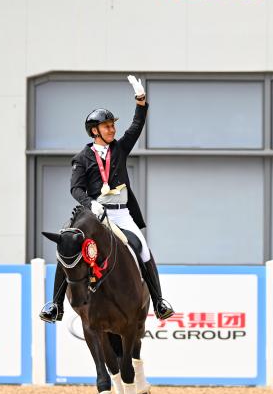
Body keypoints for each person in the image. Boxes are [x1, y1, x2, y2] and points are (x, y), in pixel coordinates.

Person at [39, 75, 175, 322]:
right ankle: (55, 305)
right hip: (94, 216)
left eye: (113, 125)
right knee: (68, 248)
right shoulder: (82, 158)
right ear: (95, 131)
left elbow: (136, 125)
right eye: (107, 126)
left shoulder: (120, 149)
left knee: (143, 250)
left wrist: (141, 100)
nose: (112, 129)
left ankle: (158, 301)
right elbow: (75, 189)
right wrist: (90, 204)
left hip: (121, 213)